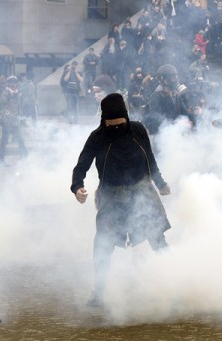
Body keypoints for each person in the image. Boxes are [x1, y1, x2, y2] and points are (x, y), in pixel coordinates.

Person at [70, 93, 172, 307]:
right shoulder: (97, 137)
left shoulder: (138, 130)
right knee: (103, 245)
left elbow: (150, 158)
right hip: (111, 195)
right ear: (104, 121)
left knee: (157, 239)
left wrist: (160, 183)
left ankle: (173, 287)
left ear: (126, 118)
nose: (116, 128)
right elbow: (82, 165)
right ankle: (99, 294)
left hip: (142, 191)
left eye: (120, 124)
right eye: (111, 125)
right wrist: (77, 186)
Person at [143, 64, 193, 135]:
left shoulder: (175, 95)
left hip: (176, 134)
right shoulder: (156, 96)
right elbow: (155, 117)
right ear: (163, 80)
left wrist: (193, 115)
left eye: (176, 77)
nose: (175, 80)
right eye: (172, 78)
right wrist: (176, 123)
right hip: (162, 136)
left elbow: (184, 113)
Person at [0, 76, 28, 164]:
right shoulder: (6, 93)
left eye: (14, 83)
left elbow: (19, 106)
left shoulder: (17, 93)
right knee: (4, 141)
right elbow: (3, 102)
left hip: (14, 121)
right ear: (8, 84)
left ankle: (24, 156)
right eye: (11, 83)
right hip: (7, 121)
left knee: (20, 139)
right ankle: (0, 160)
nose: (13, 85)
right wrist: (11, 96)